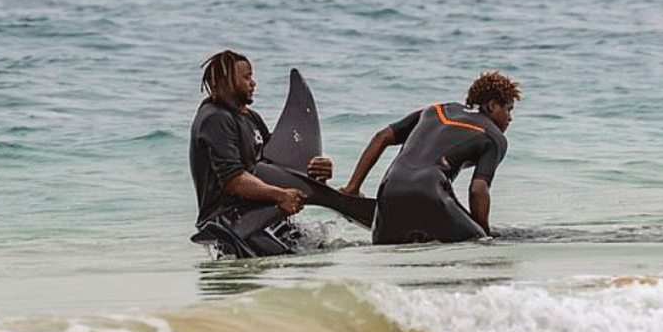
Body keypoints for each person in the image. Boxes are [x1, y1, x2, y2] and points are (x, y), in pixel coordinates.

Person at [339, 71, 521, 244]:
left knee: (389, 258)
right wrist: (482, 233)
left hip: (389, 192)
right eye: (508, 109)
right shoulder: (494, 137)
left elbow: (382, 137)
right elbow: (478, 189)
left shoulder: (437, 110)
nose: (510, 119)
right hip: (431, 194)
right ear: (492, 105)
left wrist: (352, 188)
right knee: (479, 241)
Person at [189, 49, 332, 256]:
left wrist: (315, 170)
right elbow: (233, 180)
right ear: (225, 82)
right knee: (287, 260)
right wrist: (281, 195)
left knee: (322, 250)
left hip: (261, 213)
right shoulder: (215, 119)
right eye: (246, 77)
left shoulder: (250, 118)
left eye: (252, 76)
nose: (253, 83)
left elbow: (273, 163)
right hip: (230, 224)